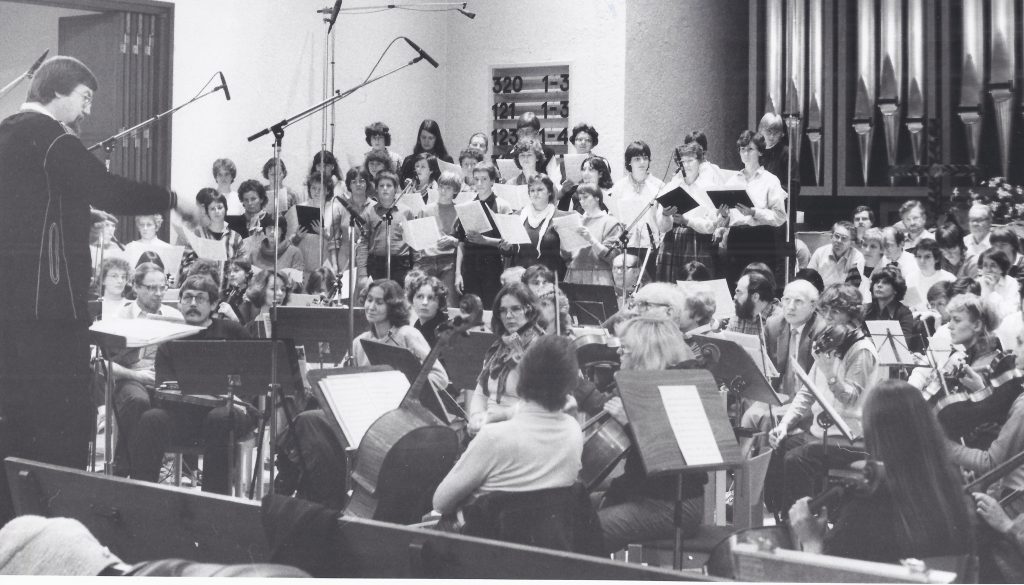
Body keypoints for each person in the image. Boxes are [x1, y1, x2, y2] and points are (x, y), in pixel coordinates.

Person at [0, 56, 194, 523]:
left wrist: (74, 215)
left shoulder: (7, 131)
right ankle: (57, 528)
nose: (87, 111)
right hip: (51, 313)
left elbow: (23, 204)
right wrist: (171, 199)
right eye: (84, 98)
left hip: (10, 312)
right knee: (60, 427)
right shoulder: (52, 136)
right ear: (57, 92)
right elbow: (108, 189)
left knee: (13, 424)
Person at [788, 380, 974, 563]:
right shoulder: (955, 498)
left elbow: (825, 576)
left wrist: (811, 541)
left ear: (873, 436)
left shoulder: (868, 510)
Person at [128, 275, 256, 494]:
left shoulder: (233, 332)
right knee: (151, 419)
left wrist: (232, 396)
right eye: (187, 298)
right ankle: (143, 498)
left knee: (219, 418)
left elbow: (253, 376)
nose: (193, 304)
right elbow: (164, 389)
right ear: (179, 303)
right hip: (185, 416)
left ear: (214, 304)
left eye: (200, 298)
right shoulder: (170, 338)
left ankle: (212, 502)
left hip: (229, 413)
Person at [433, 335, 583, 516]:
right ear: (570, 382)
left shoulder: (494, 437)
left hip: (487, 531)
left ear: (522, 376)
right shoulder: (574, 431)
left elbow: (440, 503)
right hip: (544, 531)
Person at [596, 315, 704, 553]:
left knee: (588, 529)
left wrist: (629, 423)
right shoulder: (644, 386)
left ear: (645, 353)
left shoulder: (678, 392)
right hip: (646, 494)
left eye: (625, 348)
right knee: (571, 511)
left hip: (675, 504)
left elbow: (668, 460)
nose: (618, 353)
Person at [769, 283, 879, 514]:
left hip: (852, 438)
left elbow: (850, 398)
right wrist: (784, 424)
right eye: (825, 310)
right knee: (779, 446)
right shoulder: (830, 341)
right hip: (823, 433)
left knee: (797, 459)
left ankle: (805, 518)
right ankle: (783, 516)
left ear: (851, 315)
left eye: (835, 312)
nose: (827, 317)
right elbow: (807, 392)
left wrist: (830, 374)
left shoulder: (861, 350)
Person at [107, 263, 185, 477]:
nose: (158, 293)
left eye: (162, 287)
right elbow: (103, 362)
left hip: (165, 380)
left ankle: (145, 474)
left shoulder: (175, 316)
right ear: (136, 287)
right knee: (138, 401)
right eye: (151, 288)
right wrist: (138, 375)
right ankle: (124, 469)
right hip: (130, 377)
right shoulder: (120, 316)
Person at [467, 282, 545, 435]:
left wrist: (490, 419)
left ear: (529, 310)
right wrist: (475, 416)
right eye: (503, 311)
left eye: (515, 309)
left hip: (520, 429)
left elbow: (536, 405)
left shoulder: (541, 347)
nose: (508, 316)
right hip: (488, 427)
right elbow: (481, 393)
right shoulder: (499, 347)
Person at [353, 279, 449, 396]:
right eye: (369, 300)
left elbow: (440, 377)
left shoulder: (407, 334)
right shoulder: (358, 342)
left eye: (379, 302)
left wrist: (402, 386)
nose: (371, 307)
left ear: (392, 306)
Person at [720, 130, 788, 285]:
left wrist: (753, 212)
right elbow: (727, 219)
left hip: (760, 238)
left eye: (750, 149)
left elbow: (780, 217)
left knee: (760, 284)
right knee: (736, 284)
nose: (745, 153)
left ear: (760, 152)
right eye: (742, 149)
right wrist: (724, 215)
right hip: (736, 238)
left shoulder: (770, 180)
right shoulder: (732, 181)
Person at [657, 142, 725, 281]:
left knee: (696, 284)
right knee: (671, 286)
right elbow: (662, 228)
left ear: (699, 161)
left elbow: (712, 226)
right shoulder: (672, 186)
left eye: (690, 160)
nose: (686, 165)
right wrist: (665, 215)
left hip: (698, 242)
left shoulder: (708, 187)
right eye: (683, 161)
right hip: (673, 241)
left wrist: (688, 221)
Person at [607, 141, 670, 280]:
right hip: (626, 245)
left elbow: (663, 224)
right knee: (627, 284)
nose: (642, 162)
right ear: (629, 162)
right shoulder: (619, 187)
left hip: (651, 247)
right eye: (637, 159)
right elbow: (612, 217)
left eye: (645, 158)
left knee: (649, 285)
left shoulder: (659, 186)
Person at [455, 161, 513, 308]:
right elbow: (461, 243)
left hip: (492, 267)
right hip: (470, 267)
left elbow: (510, 243)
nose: (479, 183)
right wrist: (458, 274)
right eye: (476, 179)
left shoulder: (502, 206)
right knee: (470, 311)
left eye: (484, 179)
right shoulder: (467, 206)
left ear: (492, 181)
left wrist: (485, 240)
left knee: (490, 309)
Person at [288, 172, 349, 281]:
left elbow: (339, 242)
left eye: (320, 189)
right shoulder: (298, 208)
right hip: (302, 264)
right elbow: (290, 243)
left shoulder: (335, 209)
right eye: (313, 188)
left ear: (328, 190)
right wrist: (297, 236)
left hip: (325, 265)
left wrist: (324, 234)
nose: (316, 192)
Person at [179, 189, 246, 287]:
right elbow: (185, 267)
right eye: (212, 209)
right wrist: (200, 264)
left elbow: (244, 266)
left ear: (226, 209)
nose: (217, 211)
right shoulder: (197, 235)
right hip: (203, 290)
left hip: (229, 290)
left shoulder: (236, 237)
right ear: (207, 212)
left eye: (220, 207)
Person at [358, 171, 415, 285]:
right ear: (376, 189)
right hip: (376, 264)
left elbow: (414, 243)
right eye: (381, 186)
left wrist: (416, 269)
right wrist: (362, 273)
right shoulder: (369, 212)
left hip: (401, 265)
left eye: (389, 185)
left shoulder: (406, 212)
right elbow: (363, 243)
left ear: (395, 189)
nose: (385, 189)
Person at [508, 174, 571, 277]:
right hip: (522, 278)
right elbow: (510, 251)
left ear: (549, 192)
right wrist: (506, 248)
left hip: (549, 279)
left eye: (540, 189)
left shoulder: (560, 217)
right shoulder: (517, 216)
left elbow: (569, 255)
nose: (535, 193)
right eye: (532, 190)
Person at [415, 171, 462, 305]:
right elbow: (418, 240)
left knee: (449, 302)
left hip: (449, 261)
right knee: (426, 301)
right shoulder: (425, 210)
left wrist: (454, 241)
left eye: (448, 188)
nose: (443, 191)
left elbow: (464, 241)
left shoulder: (460, 211)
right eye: (441, 186)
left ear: (455, 190)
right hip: (426, 260)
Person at [564, 184, 623, 287]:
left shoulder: (610, 222)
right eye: (580, 199)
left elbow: (612, 257)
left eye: (585, 197)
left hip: (599, 276)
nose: (582, 201)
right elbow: (567, 256)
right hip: (574, 275)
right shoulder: (577, 221)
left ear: (597, 198)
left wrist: (590, 239)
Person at [863, 265, 919, 351]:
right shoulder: (865, 309)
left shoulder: (904, 313)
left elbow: (902, 345)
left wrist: (870, 340)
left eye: (885, 282)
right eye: (877, 282)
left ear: (896, 289)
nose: (879, 285)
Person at [249, 214, 305, 284]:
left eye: (276, 228)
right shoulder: (255, 253)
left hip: (283, 290)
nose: (272, 232)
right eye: (269, 228)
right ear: (264, 230)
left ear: (282, 231)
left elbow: (298, 283)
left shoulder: (294, 252)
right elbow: (248, 280)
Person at [807, 221, 865, 287]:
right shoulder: (820, 252)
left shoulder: (857, 257)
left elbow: (854, 286)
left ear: (851, 242)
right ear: (831, 237)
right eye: (837, 236)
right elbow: (808, 279)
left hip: (845, 292)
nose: (839, 241)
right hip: (821, 292)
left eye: (844, 238)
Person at [238, 270, 291, 337]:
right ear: (261, 291)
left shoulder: (291, 325)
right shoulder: (248, 330)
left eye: (283, 289)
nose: (280, 293)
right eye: (273, 289)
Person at [400, 119, 453, 184]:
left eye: (430, 138)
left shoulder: (446, 160)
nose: (426, 141)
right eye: (423, 137)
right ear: (419, 138)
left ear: (436, 139)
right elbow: (401, 185)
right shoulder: (409, 161)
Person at [909, 238, 955, 310]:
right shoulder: (910, 279)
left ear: (937, 259)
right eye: (919, 256)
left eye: (927, 257)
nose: (922, 261)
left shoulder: (949, 279)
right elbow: (910, 308)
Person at [728, 272, 779, 336]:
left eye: (739, 292)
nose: (735, 297)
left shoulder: (779, 321)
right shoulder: (739, 315)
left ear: (755, 297)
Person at [408, 274, 449, 348]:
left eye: (430, 298)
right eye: (420, 296)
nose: (424, 302)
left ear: (439, 303)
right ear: (412, 300)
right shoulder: (417, 325)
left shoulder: (444, 332)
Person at [979, 249, 1021, 318]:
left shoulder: (1011, 283)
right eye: (985, 265)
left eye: (993, 266)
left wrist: (992, 292)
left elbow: (1010, 313)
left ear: (1001, 268)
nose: (988, 270)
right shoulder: (978, 282)